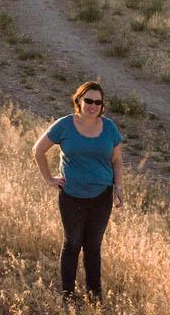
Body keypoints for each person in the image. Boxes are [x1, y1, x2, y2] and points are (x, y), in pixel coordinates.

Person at [32, 80, 123, 299]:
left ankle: (94, 295)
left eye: (97, 102)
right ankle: (68, 293)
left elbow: (117, 160)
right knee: (72, 243)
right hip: (71, 196)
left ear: (102, 106)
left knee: (93, 245)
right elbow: (38, 150)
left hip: (102, 196)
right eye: (88, 100)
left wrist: (118, 186)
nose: (92, 105)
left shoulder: (109, 127)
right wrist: (49, 179)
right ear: (79, 100)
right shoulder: (65, 125)